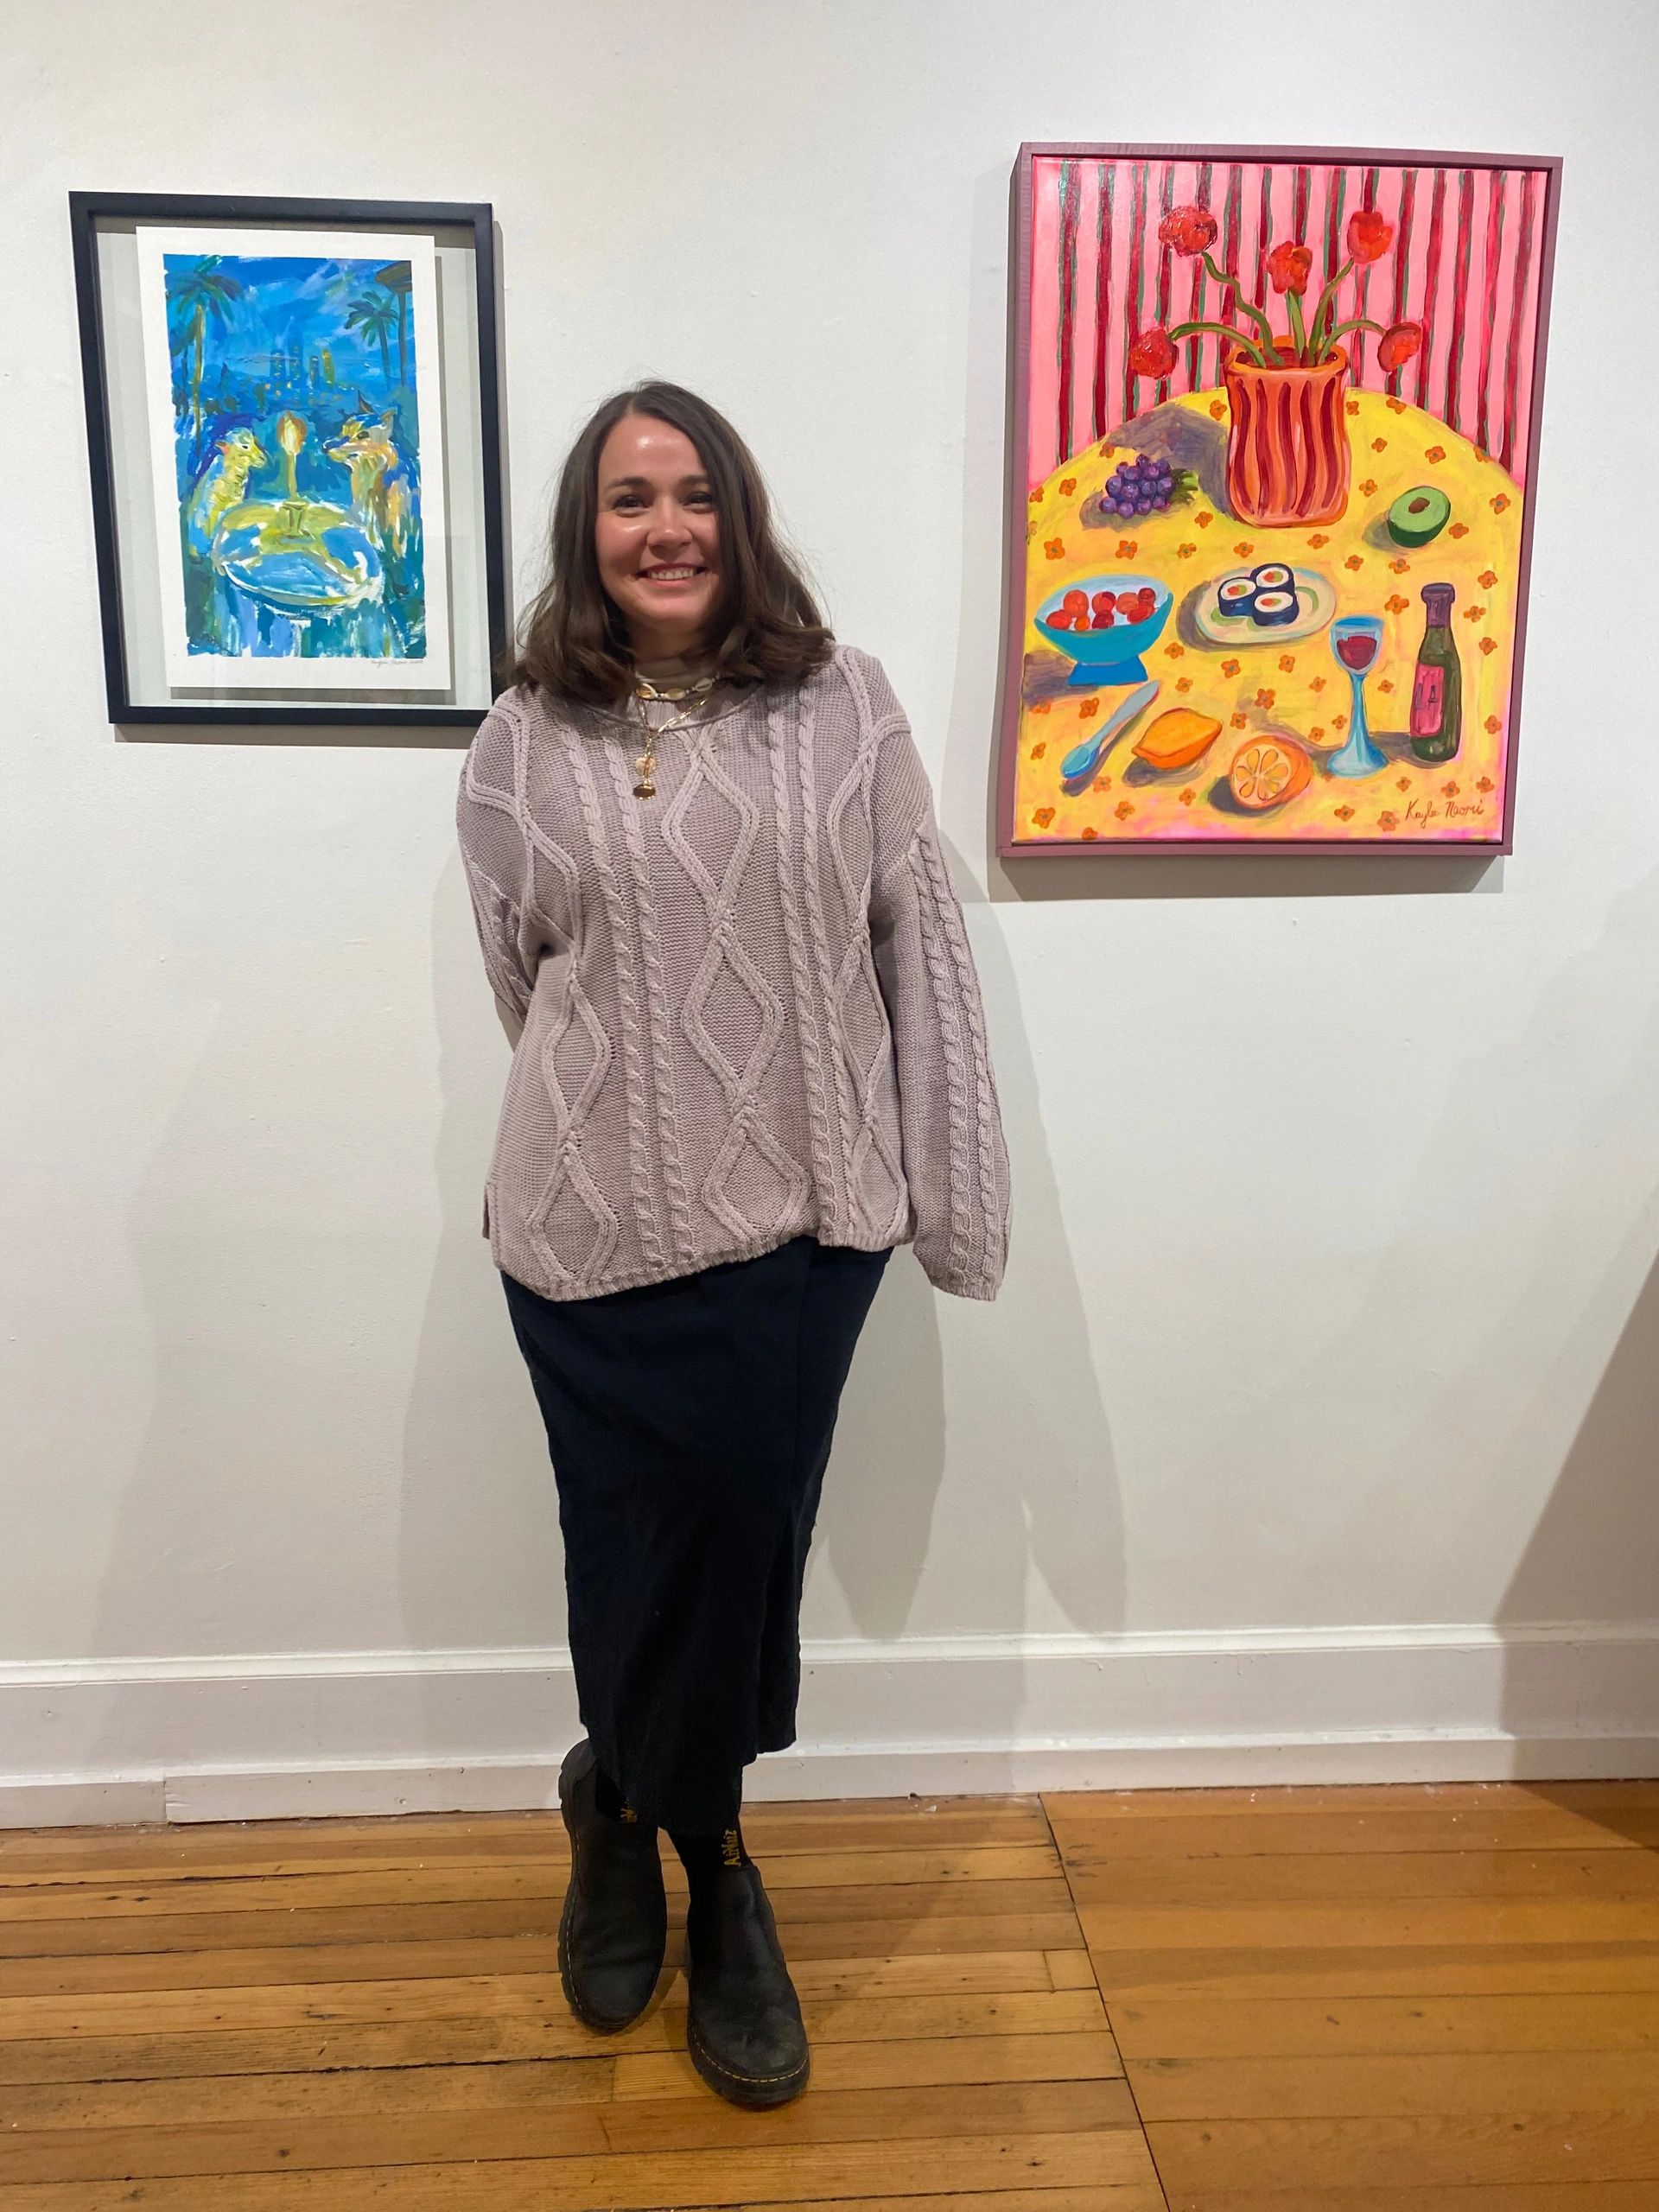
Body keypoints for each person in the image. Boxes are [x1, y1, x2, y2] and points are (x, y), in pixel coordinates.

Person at [454, 379, 1011, 2109]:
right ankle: (694, 1851)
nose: (667, 526)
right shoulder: (517, 741)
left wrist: (947, 1192)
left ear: (740, 514)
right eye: (629, 499)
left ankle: (640, 1805)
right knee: (630, 1552)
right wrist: (635, 1128)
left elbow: (919, 940)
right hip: (584, 1236)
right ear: (586, 534)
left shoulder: (847, 704)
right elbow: (525, 986)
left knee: (745, 1549)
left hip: (802, 1227)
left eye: (695, 492)